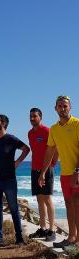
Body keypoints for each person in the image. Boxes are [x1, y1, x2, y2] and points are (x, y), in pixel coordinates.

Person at [38, 95, 79, 250]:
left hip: (77, 172)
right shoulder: (54, 129)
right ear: (55, 109)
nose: (63, 108)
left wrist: (77, 171)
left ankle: (78, 242)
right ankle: (72, 237)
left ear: (70, 107)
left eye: (65, 106)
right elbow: (49, 151)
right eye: (60, 106)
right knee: (69, 204)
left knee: (77, 203)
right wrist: (43, 172)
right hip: (65, 173)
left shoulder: (77, 124)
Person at [0, 114, 30, 246]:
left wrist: (18, 161)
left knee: (14, 209)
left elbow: (26, 149)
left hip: (9, 180)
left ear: (3, 124)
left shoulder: (11, 139)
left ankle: (19, 238)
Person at [28, 108, 58, 241]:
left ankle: (52, 230)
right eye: (31, 116)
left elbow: (55, 148)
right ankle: (43, 228)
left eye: (35, 116)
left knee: (47, 198)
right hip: (34, 169)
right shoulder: (30, 133)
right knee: (39, 199)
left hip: (46, 170)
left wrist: (52, 164)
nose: (32, 119)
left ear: (40, 117)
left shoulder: (47, 131)